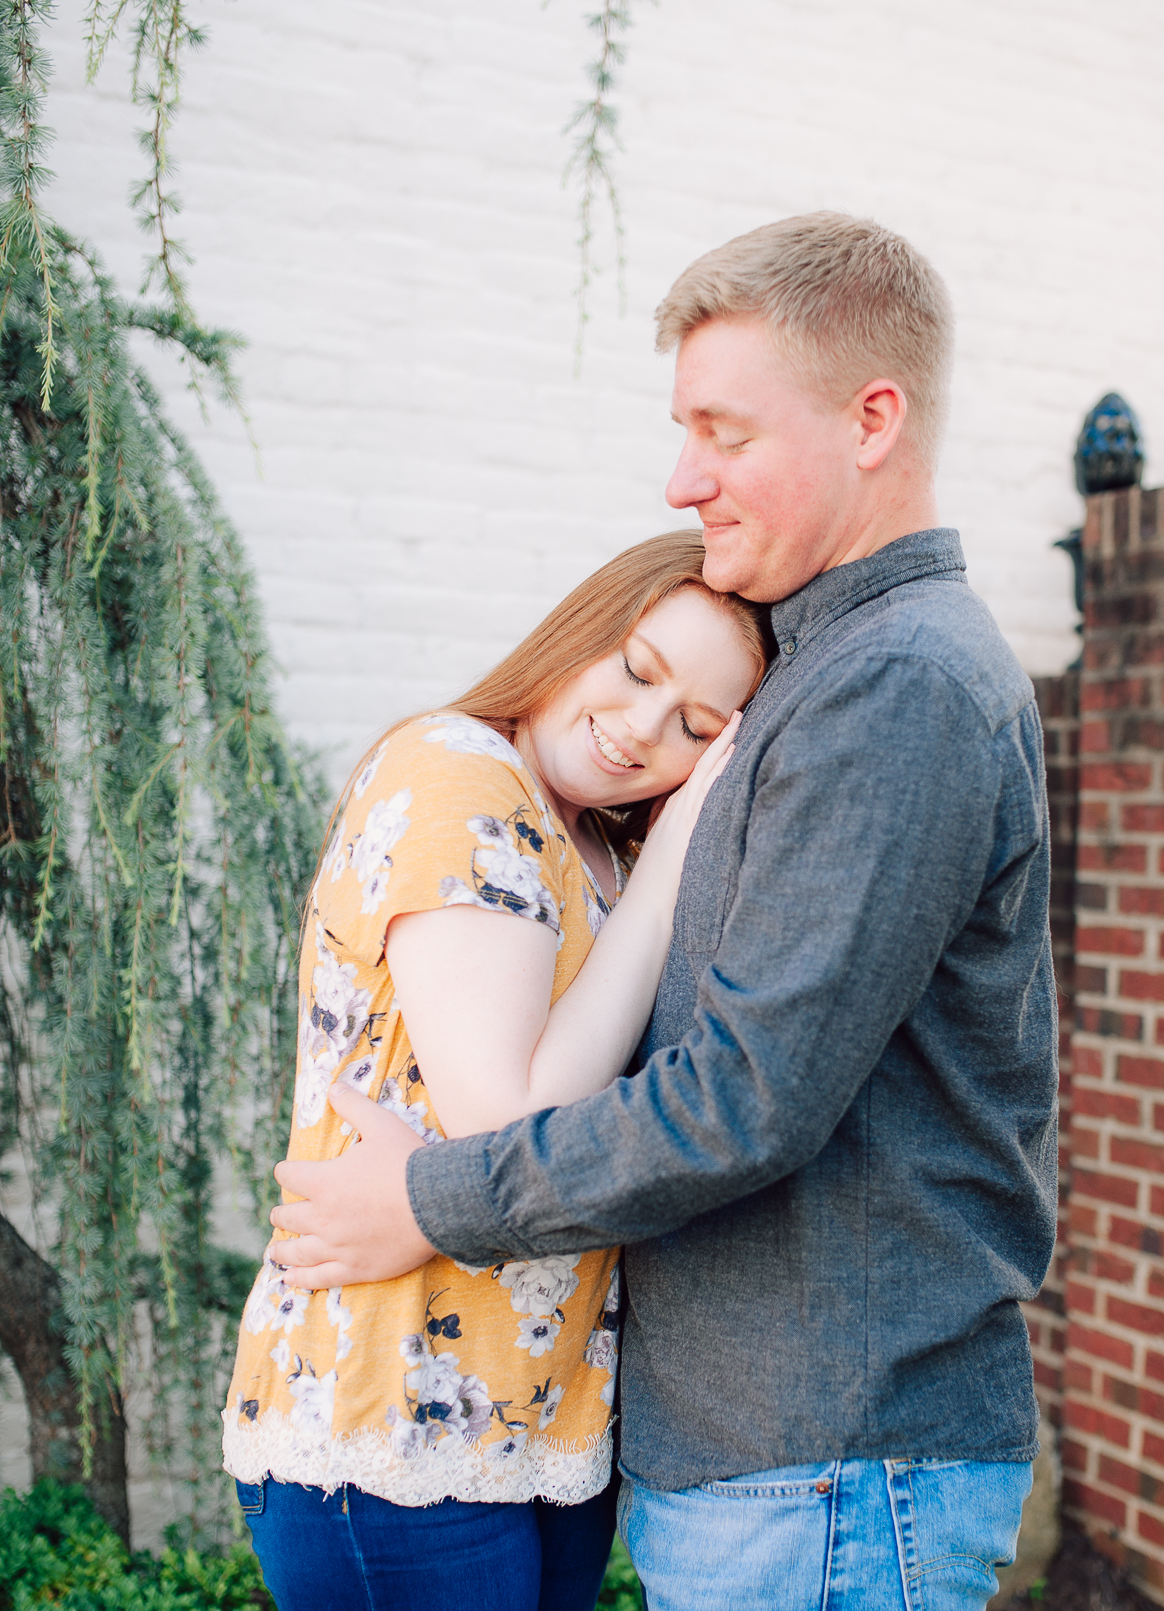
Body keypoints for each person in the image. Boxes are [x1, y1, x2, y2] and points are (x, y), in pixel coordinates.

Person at [271, 213, 1059, 1611]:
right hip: (775, 1465)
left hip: (830, 1454)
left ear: (872, 419)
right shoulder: (821, 673)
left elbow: (746, 1099)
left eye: (724, 429)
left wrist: (430, 1198)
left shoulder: (898, 685)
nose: (682, 474)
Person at [221, 531, 771, 1611]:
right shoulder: (458, 769)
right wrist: (671, 865)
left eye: (695, 730)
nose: (638, 730)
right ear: (582, 628)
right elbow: (506, 1121)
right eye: (638, 670)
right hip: (392, 1418)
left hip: (544, 1423)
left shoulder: (595, 845)